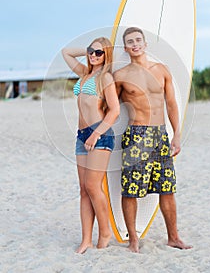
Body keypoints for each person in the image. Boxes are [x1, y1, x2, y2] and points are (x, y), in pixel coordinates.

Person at [113, 27, 192, 253]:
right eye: (130, 41)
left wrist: (176, 134)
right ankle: (133, 240)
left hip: (160, 134)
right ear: (126, 48)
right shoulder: (121, 76)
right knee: (131, 189)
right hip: (136, 135)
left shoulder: (162, 70)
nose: (135, 44)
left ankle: (173, 237)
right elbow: (109, 106)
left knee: (167, 188)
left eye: (138, 40)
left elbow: (172, 104)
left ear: (145, 44)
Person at [62, 37, 120, 254]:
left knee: (94, 186)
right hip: (81, 135)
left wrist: (95, 134)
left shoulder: (105, 77)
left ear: (107, 55)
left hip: (99, 135)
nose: (93, 55)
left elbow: (114, 110)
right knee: (84, 189)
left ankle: (104, 232)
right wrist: (89, 48)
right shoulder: (84, 73)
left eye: (99, 52)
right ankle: (86, 239)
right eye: (91, 51)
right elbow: (66, 52)